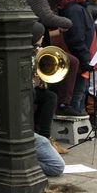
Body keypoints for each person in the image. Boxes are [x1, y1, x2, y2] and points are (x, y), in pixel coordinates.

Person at [32, 22, 66, 175]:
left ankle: (45, 135)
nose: (44, 37)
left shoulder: (35, 50)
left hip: (31, 92)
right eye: (41, 35)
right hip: (25, 95)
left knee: (50, 96)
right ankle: (43, 137)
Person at [60, 0, 96, 115]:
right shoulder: (75, 9)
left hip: (82, 57)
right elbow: (76, 37)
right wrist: (86, 58)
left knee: (81, 92)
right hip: (79, 59)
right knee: (77, 95)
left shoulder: (79, 7)